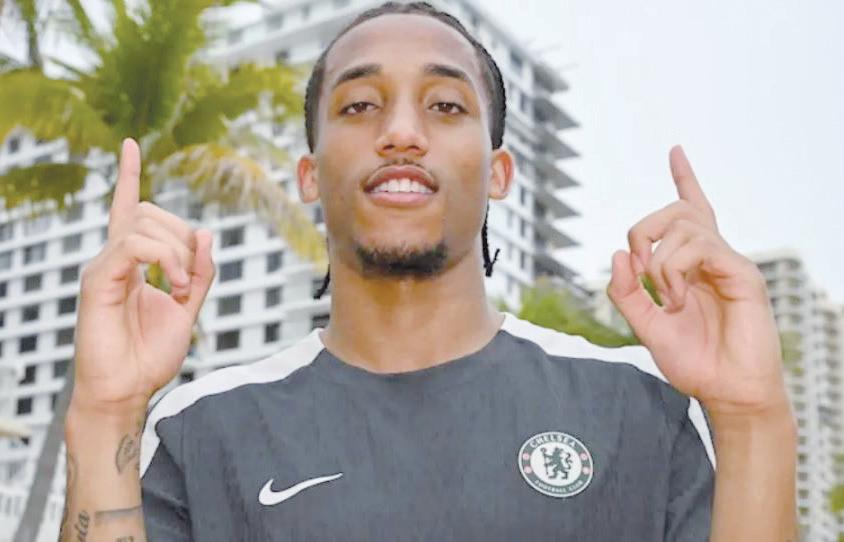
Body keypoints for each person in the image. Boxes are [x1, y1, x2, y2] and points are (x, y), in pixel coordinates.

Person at [62, 2, 797, 540]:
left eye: (445, 105)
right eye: (360, 105)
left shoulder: (639, 406)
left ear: (499, 172)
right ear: (310, 175)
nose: (402, 132)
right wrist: (104, 412)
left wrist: (751, 414)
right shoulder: (201, 429)